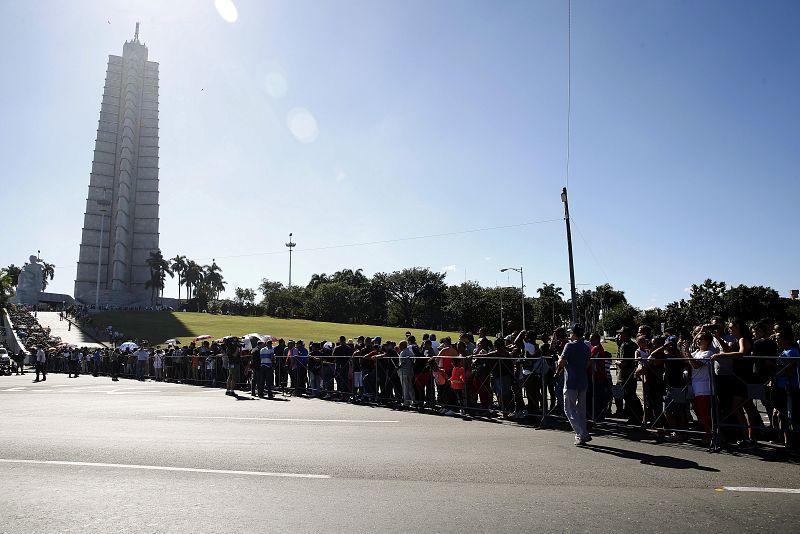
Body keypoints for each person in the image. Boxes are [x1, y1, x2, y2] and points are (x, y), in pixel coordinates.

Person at [557, 324, 592, 446]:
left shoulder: (569, 346)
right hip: (583, 380)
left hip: (571, 381)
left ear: (574, 333)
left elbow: (561, 362)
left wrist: (558, 360)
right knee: (581, 410)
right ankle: (581, 434)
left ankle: (582, 433)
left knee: (569, 409)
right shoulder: (586, 347)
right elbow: (588, 364)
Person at [397, 340, 416, 407]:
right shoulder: (410, 352)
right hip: (410, 372)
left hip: (404, 372)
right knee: (410, 387)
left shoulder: (403, 352)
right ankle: (413, 400)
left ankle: (406, 402)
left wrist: (397, 368)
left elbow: (402, 363)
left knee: (405, 388)